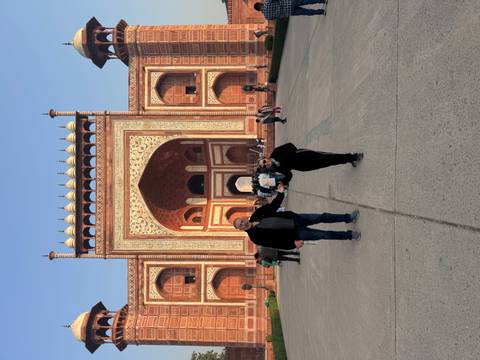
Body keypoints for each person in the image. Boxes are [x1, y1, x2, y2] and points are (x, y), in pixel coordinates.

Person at [233, 185, 360, 250]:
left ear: (244, 218)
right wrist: (292, 244)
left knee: (322, 216)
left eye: (241, 221)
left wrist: (280, 193)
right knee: (324, 235)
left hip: (295, 219)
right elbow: (275, 243)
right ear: (240, 230)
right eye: (240, 225)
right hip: (296, 233)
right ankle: (348, 235)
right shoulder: (255, 237)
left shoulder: (256, 215)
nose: (243, 224)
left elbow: (272, 207)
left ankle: (347, 217)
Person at [257, 143, 363, 186]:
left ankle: (352, 156)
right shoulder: (277, 168)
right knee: (329, 163)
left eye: (264, 162)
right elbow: (289, 175)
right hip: (305, 167)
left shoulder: (276, 152)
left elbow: (290, 145)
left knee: (329, 157)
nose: (266, 164)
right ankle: (349, 159)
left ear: (266, 158)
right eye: (264, 166)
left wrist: (293, 155)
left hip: (305, 155)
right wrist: (283, 183)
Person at [253, 0, 327, 20]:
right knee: (305, 1)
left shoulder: (267, 17)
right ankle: (321, 1)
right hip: (289, 3)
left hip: (289, 12)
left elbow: (277, 18)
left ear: (259, 10)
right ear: (260, 4)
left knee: (306, 12)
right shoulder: (267, 3)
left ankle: (321, 12)